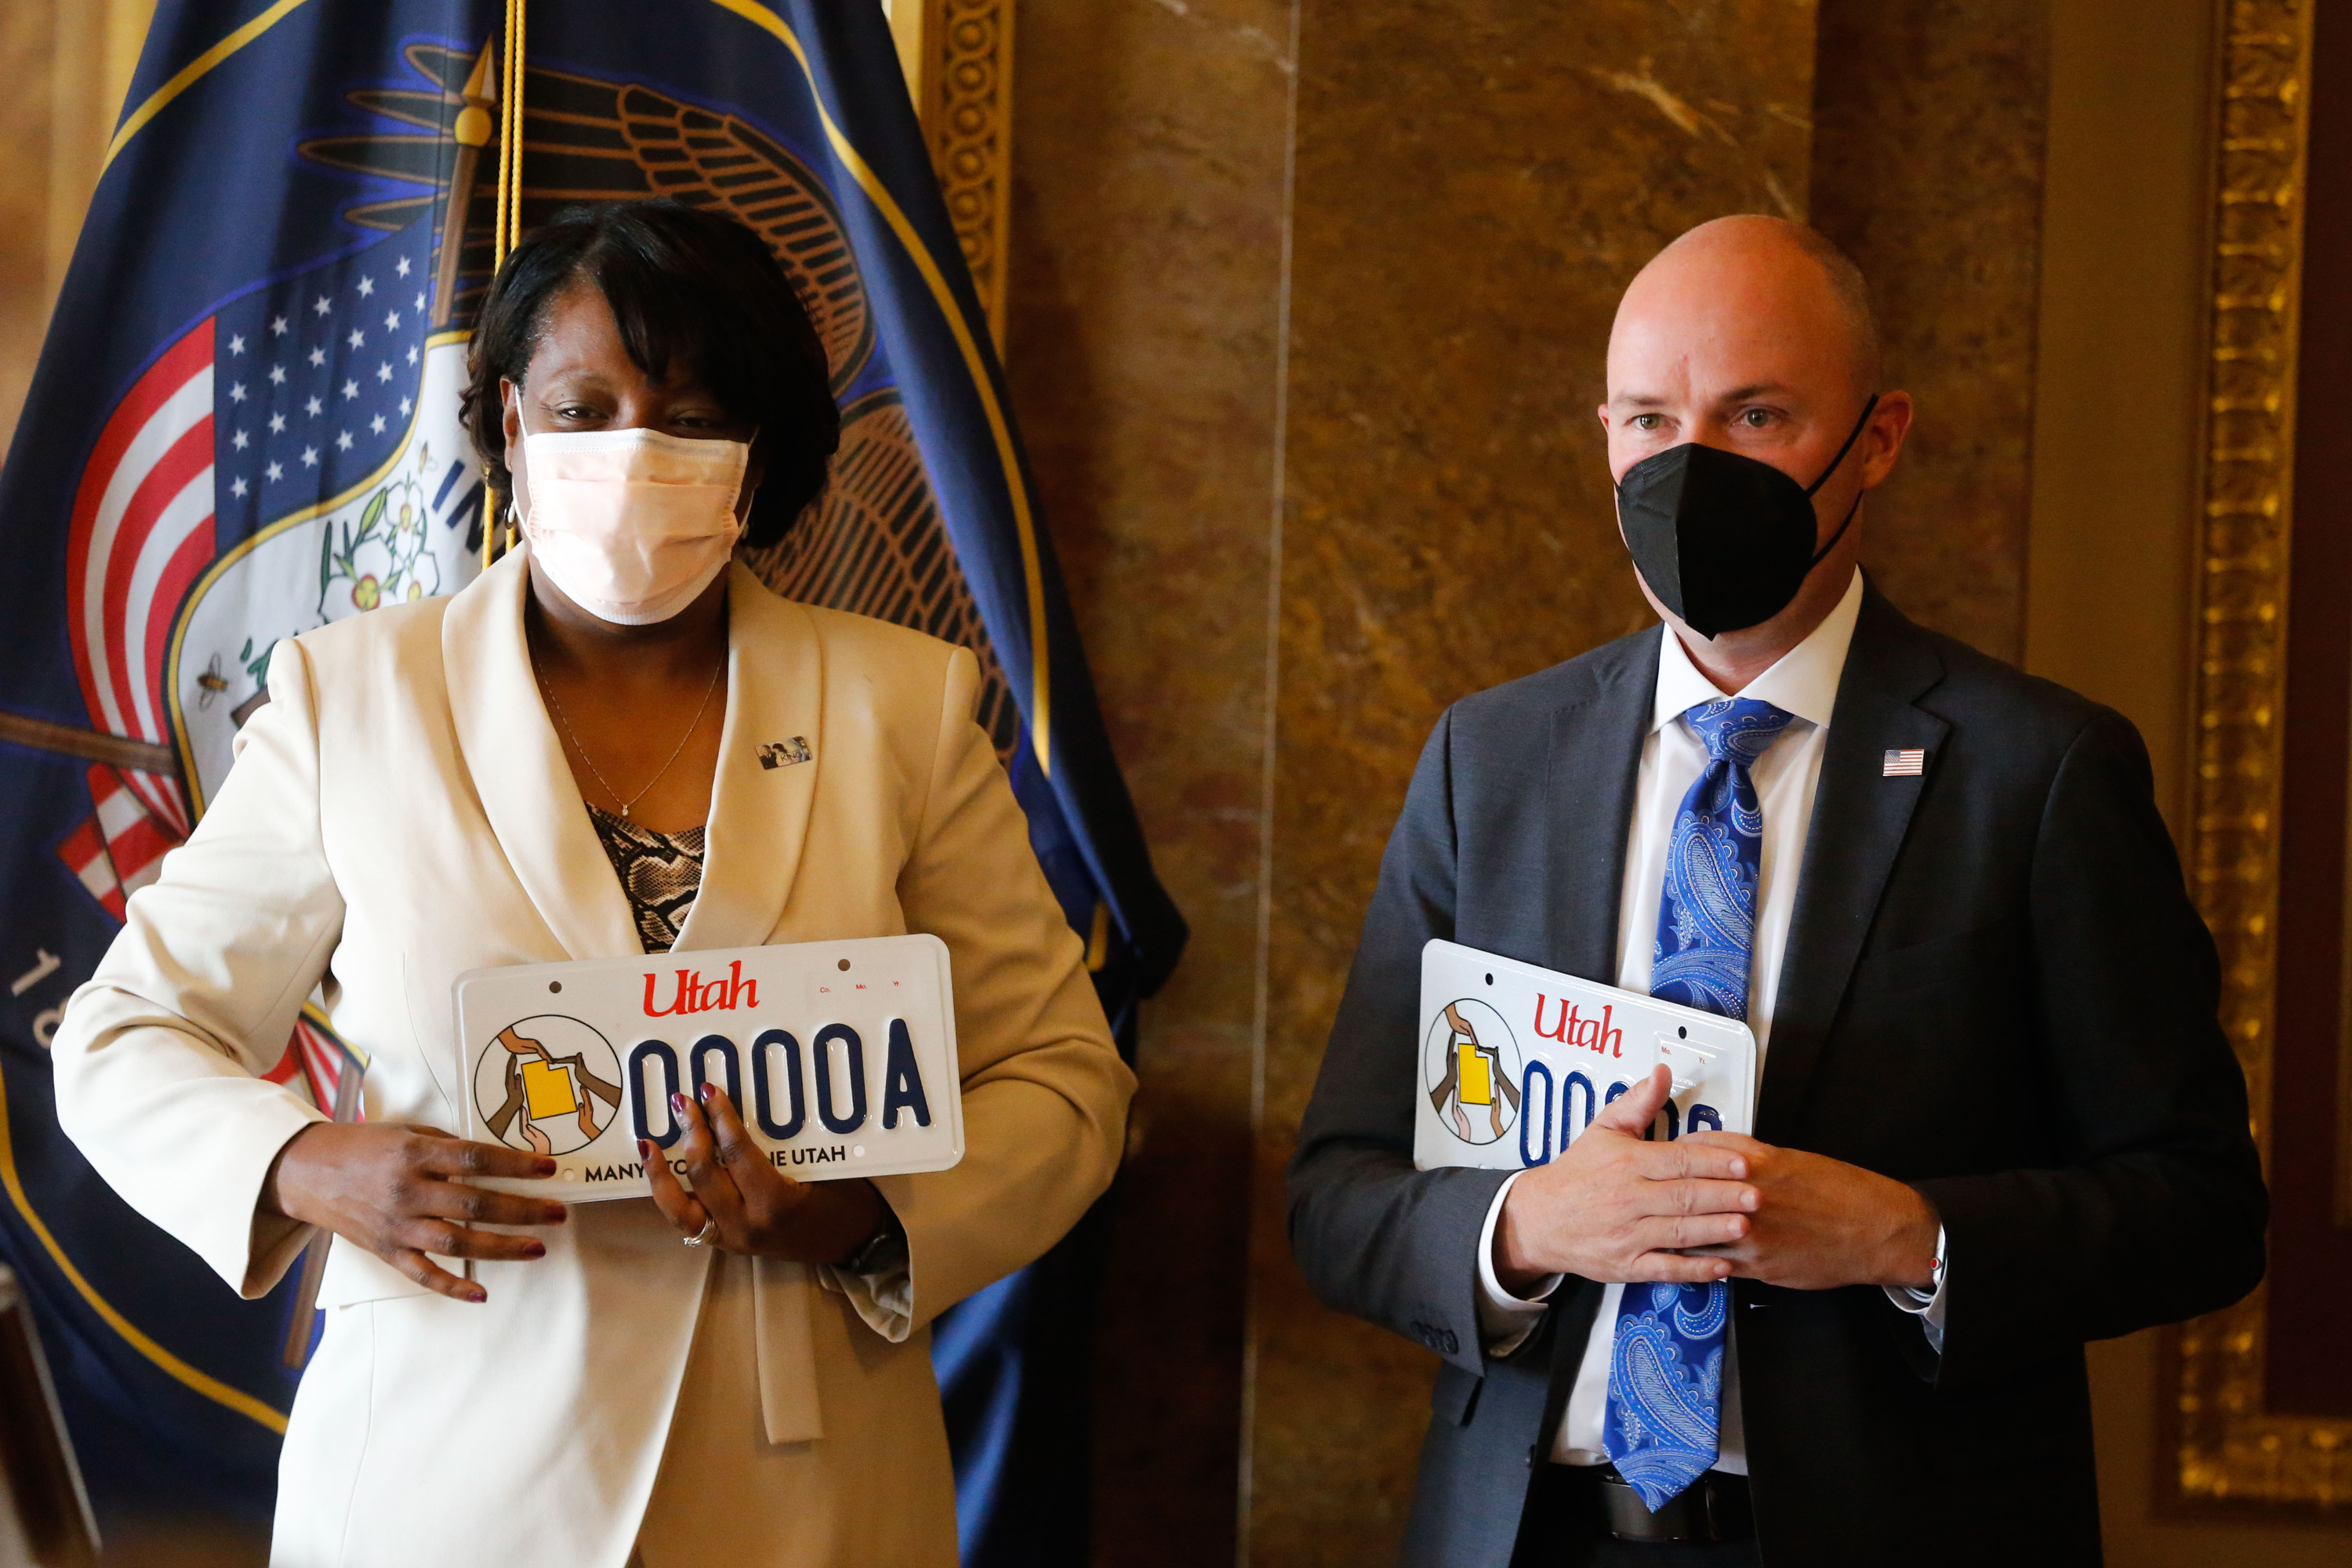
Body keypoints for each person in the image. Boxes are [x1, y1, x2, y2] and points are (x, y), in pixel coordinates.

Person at [50, 198, 1134, 1567]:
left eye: (691, 417)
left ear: (756, 451)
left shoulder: (900, 707)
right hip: (448, 1475)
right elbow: (123, 1037)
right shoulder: (356, 698)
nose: (634, 450)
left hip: (797, 1483)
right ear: (511, 423)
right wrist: (306, 1165)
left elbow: (1063, 1079)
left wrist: (866, 1220)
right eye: (586, 407)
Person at [1287, 215, 2267, 1566]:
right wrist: (1524, 1227)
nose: (1689, 466)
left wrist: (1905, 1235)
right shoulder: (1490, 759)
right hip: (1531, 1534)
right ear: (1606, 435)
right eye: (1650, 420)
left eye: (1754, 416)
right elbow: (1337, 1196)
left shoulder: (2039, 772)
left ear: (1877, 438)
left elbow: (2200, 1209)